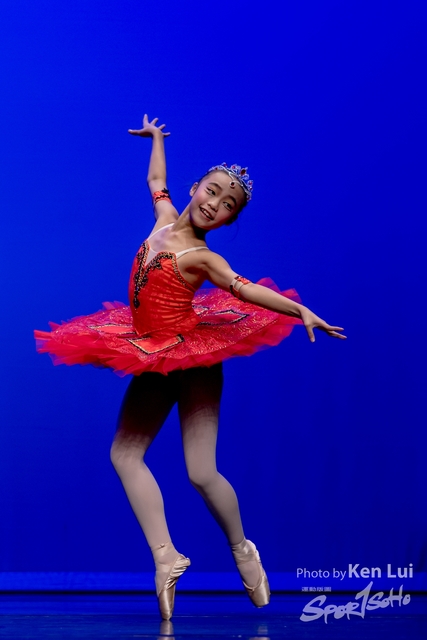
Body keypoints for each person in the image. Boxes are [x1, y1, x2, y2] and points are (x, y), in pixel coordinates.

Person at [35, 115, 346, 620]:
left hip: (192, 361)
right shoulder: (163, 218)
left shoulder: (202, 257)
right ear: (195, 187)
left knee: (201, 472)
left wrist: (299, 309)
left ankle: (243, 549)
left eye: (228, 205)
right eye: (212, 191)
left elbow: (244, 289)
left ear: (227, 220)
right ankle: (167, 557)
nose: (215, 204)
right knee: (124, 455)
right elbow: (156, 180)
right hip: (154, 354)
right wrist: (157, 139)